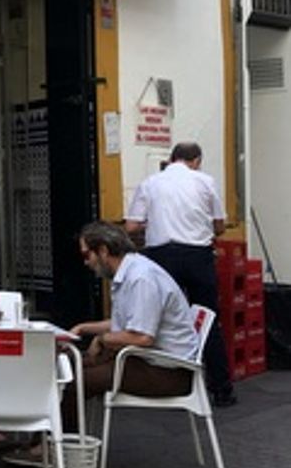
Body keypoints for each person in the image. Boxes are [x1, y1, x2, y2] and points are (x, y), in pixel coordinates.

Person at [124, 142, 236, 407]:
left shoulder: (151, 183)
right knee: (208, 320)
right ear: (196, 160)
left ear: (172, 159)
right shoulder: (206, 181)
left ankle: (161, 380)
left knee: (159, 319)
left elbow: (130, 226)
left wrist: (154, 225)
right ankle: (221, 389)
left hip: (162, 258)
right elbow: (219, 226)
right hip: (198, 258)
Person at [63, 221, 199, 428]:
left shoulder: (140, 279)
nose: (86, 263)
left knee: (74, 381)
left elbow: (142, 337)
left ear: (103, 251)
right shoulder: (131, 272)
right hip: (151, 361)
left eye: (86, 255)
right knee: (67, 367)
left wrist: (101, 339)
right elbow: (126, 323)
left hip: (168, 371)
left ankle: (59, 449)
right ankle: (53, 442)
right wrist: (84, 328)